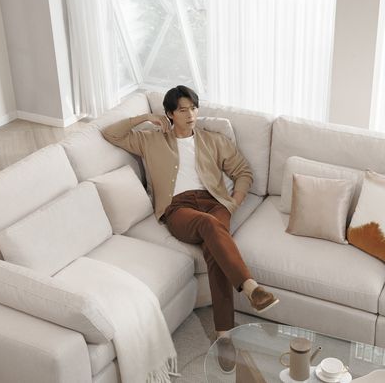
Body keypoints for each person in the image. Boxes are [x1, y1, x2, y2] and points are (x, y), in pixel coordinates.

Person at [102, 85, 279, 372]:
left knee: (214, 250)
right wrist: (144, 118)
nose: (191, 115)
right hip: (178, 208)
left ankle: (224, 336)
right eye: (183, 110)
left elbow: (243, 172)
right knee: (210, 228)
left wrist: (233, 203)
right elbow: (111, 133)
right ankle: (250, 287)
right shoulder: (151, 140)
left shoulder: (214, 140)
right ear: (170, 114)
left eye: (194, 108)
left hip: (215, 203)